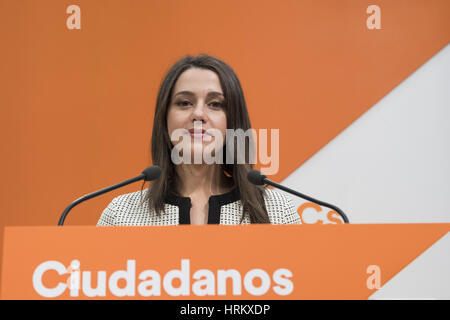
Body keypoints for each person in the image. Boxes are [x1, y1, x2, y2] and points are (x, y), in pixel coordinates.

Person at [97, 54, 301, 226]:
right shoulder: (120, 215)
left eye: (215, 104)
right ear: (164, 118)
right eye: (184, 103)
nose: (198, 114)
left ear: (233, 120)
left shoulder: (278, 212)